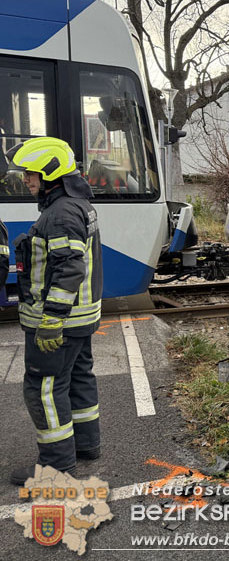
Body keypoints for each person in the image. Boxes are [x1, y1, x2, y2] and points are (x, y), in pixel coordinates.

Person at [5, 137, 103, 485]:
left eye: (31, 174)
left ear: (50, 174)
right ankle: (87, 445)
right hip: (81, 319)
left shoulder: (59, 215)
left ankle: (56, 465)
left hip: (57, 324)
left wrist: (51, 321)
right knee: (78, 379)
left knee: (43, 388)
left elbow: (70, 268)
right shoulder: (77, 205)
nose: (26, 180)